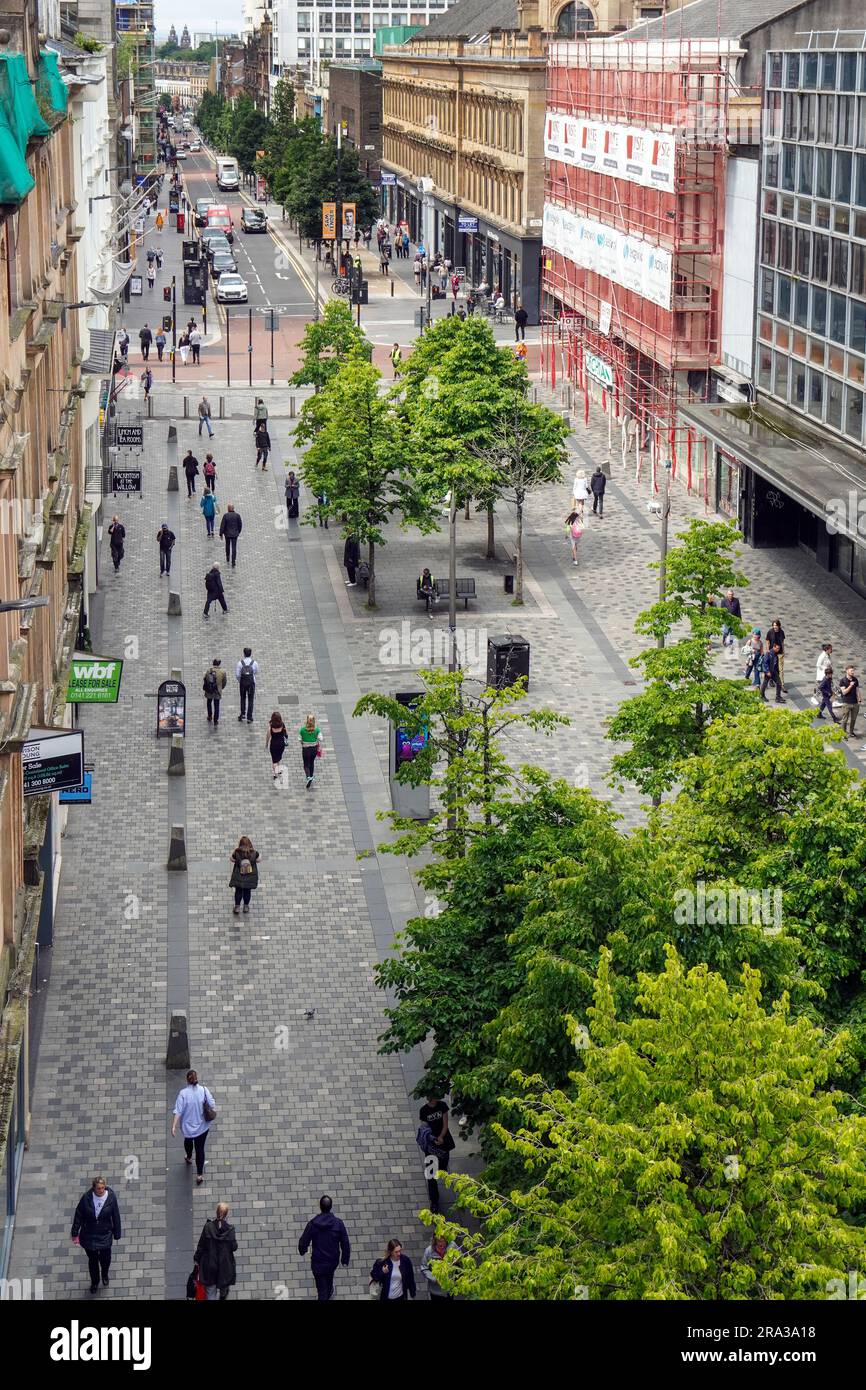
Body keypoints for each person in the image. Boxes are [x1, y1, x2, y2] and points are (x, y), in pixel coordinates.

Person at [71, 1177, 122, 1294]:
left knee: (105, 1259)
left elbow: (116, 1216)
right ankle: (95, 1281)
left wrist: (117, 1233)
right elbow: (78, 1215)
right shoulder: (86, 1198)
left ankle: (104, 1274)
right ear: (94, 1188)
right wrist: (75, 1233)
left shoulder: (111, 1198)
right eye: (98, 1188)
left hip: (105, 1234)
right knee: (93, 1260)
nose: (101, 1190)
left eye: (103, 1188)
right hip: (89, 1235)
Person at [298, 1195, 351, 1301]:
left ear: (320, 1206)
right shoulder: (338, 1224)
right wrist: (344, 1260)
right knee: (329, 1275)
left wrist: (302, 1250)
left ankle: (326, 1292)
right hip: (332, 1261)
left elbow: (303, 1242)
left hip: (318, 1262)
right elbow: (345, 1243)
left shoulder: (313, 1224)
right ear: (331, 1206)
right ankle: (330, 1289)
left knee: (321, 1290)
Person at [171, 1069, 216, 1186]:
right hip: (203, 1128)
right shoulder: (204, 1090)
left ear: (187, 1080)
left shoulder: (183, 1094)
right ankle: (199, 1175)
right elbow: (212, 1104)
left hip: (188, 1129)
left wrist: (174, 1126)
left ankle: (189, 1156)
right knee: (200, 1149)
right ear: (197, 1079)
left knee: (188, 1142)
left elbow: (178, 1111)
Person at [194, 1203, 237, 1301]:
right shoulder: (230, 1230)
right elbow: (234, 1247)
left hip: (210, 1265)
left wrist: (196, 1259)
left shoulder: (208, 1227)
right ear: (226, 1215)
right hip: (225, 1266)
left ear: (216, 1212)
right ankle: (223, 1295)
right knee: (224, 1284)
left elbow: (201, 1246)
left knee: (210, 1291)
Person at [419, 1093, 454, 1214]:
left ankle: (440, 1172)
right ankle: (434, 1201)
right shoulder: (424, 1110)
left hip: (443, 1141)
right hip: (431, 1144)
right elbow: (425, 1128)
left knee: (443, 1166)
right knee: (431, 1174)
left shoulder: (442, 1106)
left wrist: (441, 1137)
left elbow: (445, 1123)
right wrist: (433, 1139)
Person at [421, 1234, 458, 1301]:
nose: (441, 1244)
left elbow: (460, 1255)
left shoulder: (452, 1246)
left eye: (443, 1241)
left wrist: (457, 1259)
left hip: (449, 1288)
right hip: (436, 1291)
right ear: (435, 1241)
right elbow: (424, 1269)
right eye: (439, 1241)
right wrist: (435, 1279)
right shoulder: (429, 1251)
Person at [229, 835, 259, 914]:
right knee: (247, 892)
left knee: (238, 891)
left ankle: (237, 907)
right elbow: (259, 860)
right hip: (250, 876)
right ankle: (246, 906)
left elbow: (231, 859)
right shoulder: (254, 852)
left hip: (239, 875)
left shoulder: (237, 851)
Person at [299, 711, 322, 789]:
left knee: (306, 764)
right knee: (311, 762)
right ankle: (311, 776)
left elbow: (299, 739)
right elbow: (321, 738)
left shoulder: (302, 730)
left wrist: (302, 742)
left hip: (305, 749)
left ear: (307, 721)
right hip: (314, 749)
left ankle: (308, 777)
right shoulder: (317, 730)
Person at [236, 647, 258, 722]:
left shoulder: (240, 663)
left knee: (243, 698)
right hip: (251, 683)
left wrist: (241, 681)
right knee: (251, 699)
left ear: (244, 654)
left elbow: (237, 675)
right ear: (251, 654)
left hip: (243, 683)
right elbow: (256, 672)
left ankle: (242, 714)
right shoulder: (254, 663)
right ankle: (249, 717)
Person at [838, 664, 860, 738]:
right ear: (847, 671)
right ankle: (843, 733)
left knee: (853, 719)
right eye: (851, 671)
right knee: (845, 720)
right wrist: (850, 686)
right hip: (846, 703)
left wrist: (859, 700)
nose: (853, 672)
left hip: (855, 703)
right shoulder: (842, 681)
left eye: (853, 671)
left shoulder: (855, 679)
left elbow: (857, 690)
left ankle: (851, 732)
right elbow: (844, 692)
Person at [203, 657, 227, 722]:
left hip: (209, 690)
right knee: (216, 705)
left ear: (213, 663)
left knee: (209, 703)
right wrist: (221, 688)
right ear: (219, 664)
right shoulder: (222, 672)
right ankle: (215, 720)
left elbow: (205, 679)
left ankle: (210, 716)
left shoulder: (209, 670)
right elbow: (224, 682)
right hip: (217, 690)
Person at [266, 710, 289, 780]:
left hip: (273, 745)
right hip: (281, 744)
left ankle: (275, 774)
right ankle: (278, 769)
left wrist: (266, 743)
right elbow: (286, 733)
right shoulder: (282, 725)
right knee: (278, 757)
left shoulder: (271, 727)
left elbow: (268, 736)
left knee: (274, 760)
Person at [767, 618, 786, 690]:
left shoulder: (782, 632)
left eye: (776, 625)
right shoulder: (770, 632)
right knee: (772, 667)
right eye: (773, 625)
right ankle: (771, 680)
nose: (774, 627)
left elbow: (782, 642)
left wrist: (783, 651)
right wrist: (768, 651)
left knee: (781, 669)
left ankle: (782, 685)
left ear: (779, 626)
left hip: (780, 653)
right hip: (772, 652)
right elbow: (767, 641)